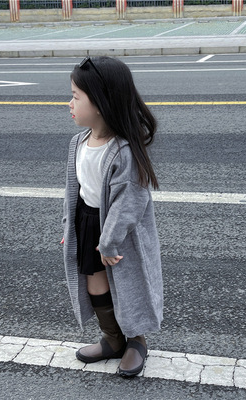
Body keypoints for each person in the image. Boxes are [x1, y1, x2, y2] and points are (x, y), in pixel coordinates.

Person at [62, 56, 163, 378]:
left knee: (128, 286)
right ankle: (112, 338)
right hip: (88, 222)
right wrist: (70, 228)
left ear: (101, 102)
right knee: (95, 284)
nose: (69, 104)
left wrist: (110, 241)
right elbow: (74, 190)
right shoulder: (79, 142)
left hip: (119, 233)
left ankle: (136, 341)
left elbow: (129, 202)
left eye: (76, 97)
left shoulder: (122, 151)